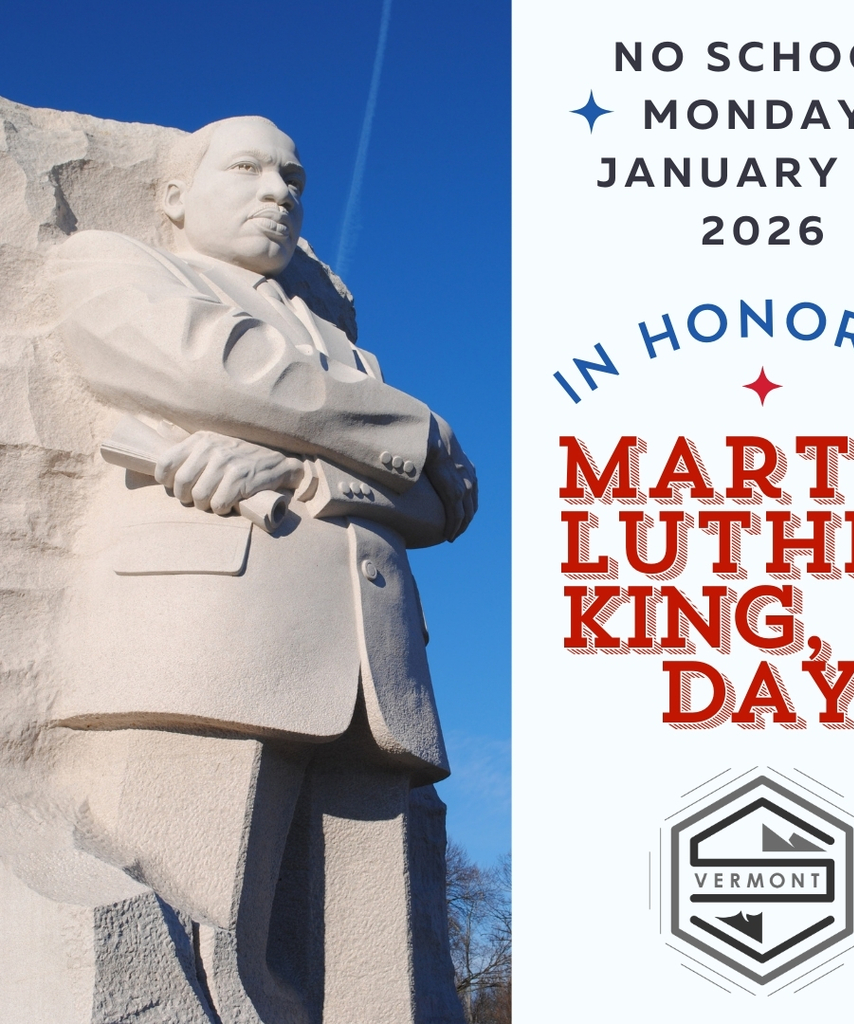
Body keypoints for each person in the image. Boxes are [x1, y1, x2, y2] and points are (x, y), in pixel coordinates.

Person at [46, 115, 476, 1024]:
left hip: (376, 676)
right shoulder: (117, 267)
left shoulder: (347, 351)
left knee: (381, 981)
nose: (279, 191)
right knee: (193, 953)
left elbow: (447, 504)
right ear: (172, 196)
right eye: (247, 169)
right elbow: (225, 374)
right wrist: (419, 429)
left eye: (294, 176)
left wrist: (307, 472)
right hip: (207, 653)